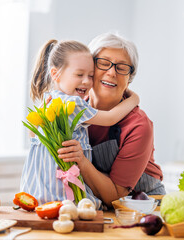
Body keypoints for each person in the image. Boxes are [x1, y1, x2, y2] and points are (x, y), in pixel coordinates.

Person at [20, 39, 139, 209]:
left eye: (90, 76)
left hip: (38, 188)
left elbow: (33, 136)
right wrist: (134, 99)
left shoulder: (48, 100)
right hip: (60, 192)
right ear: (55, 74)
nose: (86, 81)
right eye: (79, 75)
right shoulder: (73, 104)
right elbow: (110, 118)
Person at [57, 33, 165, 208]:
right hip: (94, 207)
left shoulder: (138, 125)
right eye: (103, 63)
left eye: (122, 67)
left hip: (142, 208)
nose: (112, 72)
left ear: (129, 79)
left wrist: (81, 161)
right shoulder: (72, 110)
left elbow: (116, 195)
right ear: (90, 69)